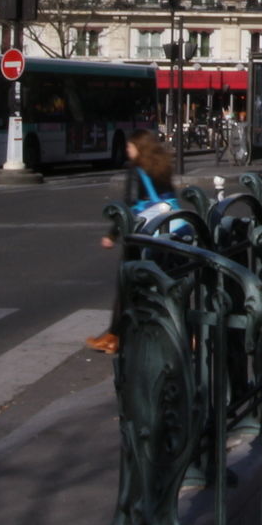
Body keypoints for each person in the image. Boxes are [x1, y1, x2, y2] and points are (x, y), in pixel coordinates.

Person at [85, 127, 180, 356]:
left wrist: (112, 234)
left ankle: (115, 336)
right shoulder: (162, 167)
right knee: (163, 285)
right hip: (166, 231)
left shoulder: (136, 171)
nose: (127, 150)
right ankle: (183, 333)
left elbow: (128, 207)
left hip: (141, 234)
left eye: (130, 146)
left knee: (126, 283)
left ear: (138, 148)